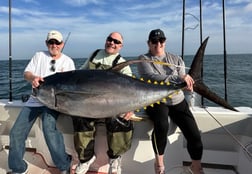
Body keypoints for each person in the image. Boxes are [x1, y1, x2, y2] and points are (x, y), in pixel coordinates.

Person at [137, 29, 204, 174]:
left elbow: (183, 78)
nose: (158, 44)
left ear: (165, 42)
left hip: (177, 100)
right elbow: (151, 77)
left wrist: (188, 83)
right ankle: (159, 164)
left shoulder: (176, 59)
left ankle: (196, 167)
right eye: (154, 41)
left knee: (194, 134)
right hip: (155, 99)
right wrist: (179, 79)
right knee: (162, 124)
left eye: (161, 41)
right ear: (148, 43)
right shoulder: (142, 59)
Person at [8, 30, 75, 174]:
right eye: (51, 42)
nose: (54, 45)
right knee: (16, 132)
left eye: (57, 42)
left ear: (62, 44)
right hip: (34, 101)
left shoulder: (68, 62)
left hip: (53, 103)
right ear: (46, 43)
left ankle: (64, 165)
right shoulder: (39, 56)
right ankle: (18, 168)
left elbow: (73, 87)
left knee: (48, 128)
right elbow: (26, 73)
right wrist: (32, 78)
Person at [72, 32, 134, 174]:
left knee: (119, 119)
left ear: (121, 46)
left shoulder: (122, 63)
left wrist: (132, 108)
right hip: (91, 102)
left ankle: (115, 158)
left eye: (116, 42)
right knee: (79, 117)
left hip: (112, 104)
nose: (112, 43)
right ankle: (86, 158)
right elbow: (81, 73)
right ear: (106, 40)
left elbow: (132, 90)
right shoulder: (95, 54)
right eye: (110, 39)